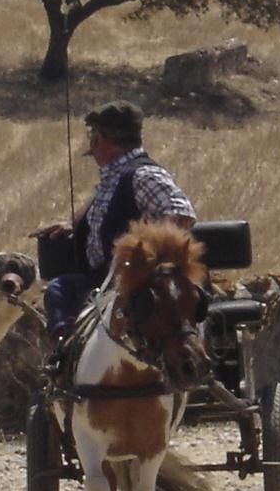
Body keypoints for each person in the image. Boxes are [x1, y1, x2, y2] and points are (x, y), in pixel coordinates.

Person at [37, 100, 197, 346]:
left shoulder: (143, 175)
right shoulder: (116, 175)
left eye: (93, 136)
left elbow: (180, 214)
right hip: (105, 276)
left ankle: (62, 356)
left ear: (99, 138)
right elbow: (113, 213)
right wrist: (74, 225)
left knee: (59, 290)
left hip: (134, 279)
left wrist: (147, 259)